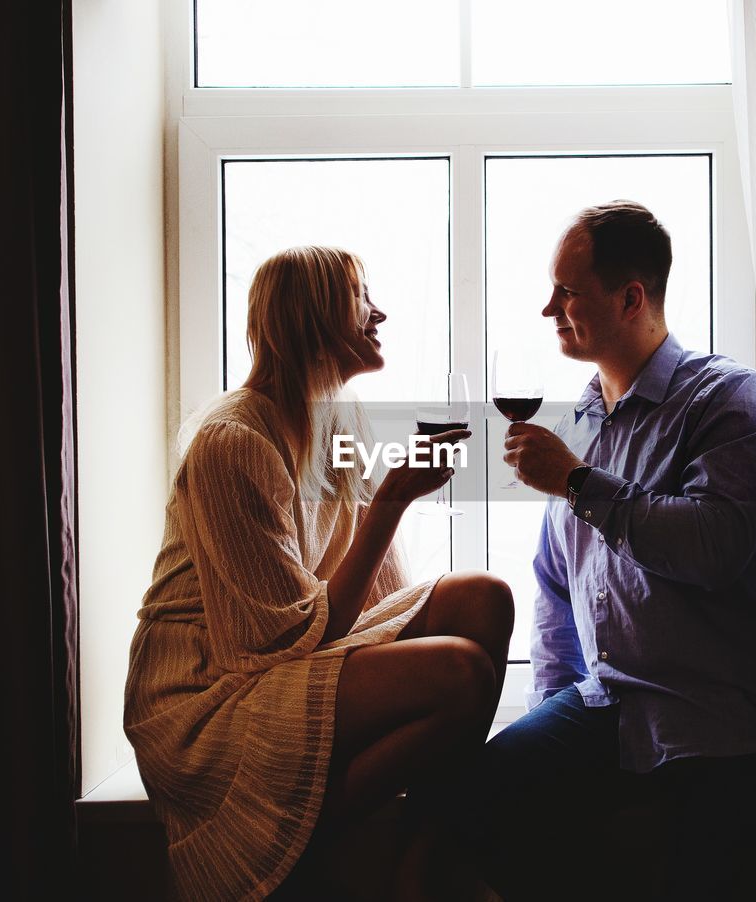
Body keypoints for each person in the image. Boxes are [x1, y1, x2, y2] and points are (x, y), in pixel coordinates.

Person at [123, 245, 514, 902]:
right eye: (363, 297)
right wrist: (391, 501)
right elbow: (268, 643)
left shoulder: (342, 423)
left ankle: (419, 858)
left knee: (485, 600)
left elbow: (379, 594)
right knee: (458, 672)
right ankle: (326, 844)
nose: (380, 312)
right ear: (313, 316)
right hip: (207, 690)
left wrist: (396, 508)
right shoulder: (234, 442)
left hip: (287, 653)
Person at [412, 202, 756, 901]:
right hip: (604, 707)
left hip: (712, 720)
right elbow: (555, 582)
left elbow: (716, 545)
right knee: (476, 804)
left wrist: (578, 483)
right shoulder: (574, 424)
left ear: (631, 297)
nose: (549, 307)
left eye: (567, 292)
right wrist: (552, 704)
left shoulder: (726, 399)